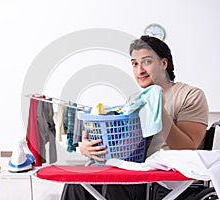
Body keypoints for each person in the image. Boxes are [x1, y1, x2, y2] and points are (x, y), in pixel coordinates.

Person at [61, 35, 209, 200]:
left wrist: (158, 110)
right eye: (135, 64)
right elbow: (124, 148)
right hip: (136, 172)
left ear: (163, 64)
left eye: (147, 62)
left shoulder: (190, 95)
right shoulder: (134, 101)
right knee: (77, 183)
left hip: (169, 179)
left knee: (115, 183)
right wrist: (89, 150)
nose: (140, 70)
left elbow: (188, 148)